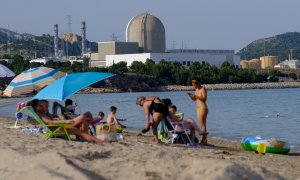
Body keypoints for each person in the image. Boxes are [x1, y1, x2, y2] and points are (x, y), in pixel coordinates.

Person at [34, 99, 103, 144]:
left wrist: (58, 116)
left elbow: (52, 118)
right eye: (41, 105)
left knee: (84, 120)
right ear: (36, 107)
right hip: (60, 128)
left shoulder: (44, 113)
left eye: (46, 106)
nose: (44, 107)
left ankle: (90, 137)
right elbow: (51, 122)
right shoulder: (40, 115)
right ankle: (98, 140)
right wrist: (65, 121)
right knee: (84, 118)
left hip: (60, 127)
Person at [187, 77, 209, 145]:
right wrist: (191, 96)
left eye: (194, 84)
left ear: (198, 83)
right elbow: (194, 99)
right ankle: (204, 140)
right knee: (202, 124)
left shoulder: (203, 89)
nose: (193, 86)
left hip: (203, 108)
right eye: (193, 84)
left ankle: (204, 140)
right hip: (198, 108)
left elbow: (204, 99)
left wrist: (196, 96)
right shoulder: (196, 90)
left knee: (202, 125)